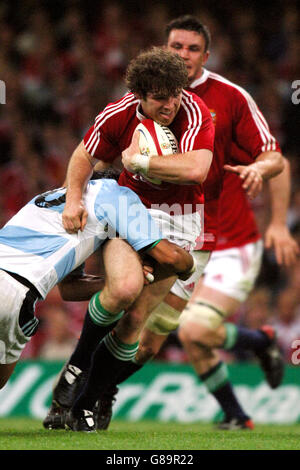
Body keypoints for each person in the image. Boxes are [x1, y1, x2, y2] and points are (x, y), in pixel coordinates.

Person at [78, 15, 295, 432]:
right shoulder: (141, 97)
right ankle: (94, 393)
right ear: (164, 50)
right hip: (161, 227)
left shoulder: (230, 97)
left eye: (193, 49)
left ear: (206, 55)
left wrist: (266, 186)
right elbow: (103, 146)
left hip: (223, 235)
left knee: (175, 334)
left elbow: (273, 155)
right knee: (142, 330)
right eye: (177, 46)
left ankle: (96, 388)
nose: (184, 55)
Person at [0, 168, 195, 391]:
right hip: (14, 291)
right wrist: (191, 265)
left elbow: (69, 289)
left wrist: (114, 284)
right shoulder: (118, 195)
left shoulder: (52, 198)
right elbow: (170, 257)